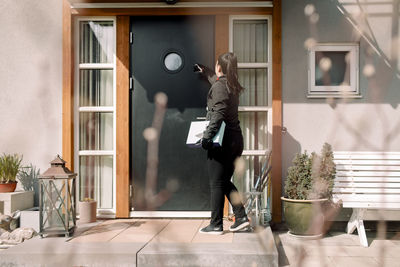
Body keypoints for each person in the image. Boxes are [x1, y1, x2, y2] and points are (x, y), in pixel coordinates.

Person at [195, 52, 249, 235]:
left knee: (217, 182)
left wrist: (206, 137)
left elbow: (218, 114)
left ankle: (216, 224)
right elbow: (217, 81)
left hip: (222, 142)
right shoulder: (231, 85)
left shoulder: (220, 87)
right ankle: (241, 217)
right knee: (224, 181)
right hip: (236, 141)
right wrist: (206, 72)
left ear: (220, 67)